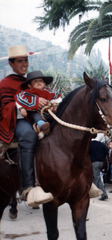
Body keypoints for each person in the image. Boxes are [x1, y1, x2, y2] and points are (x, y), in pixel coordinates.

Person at [0, 45, 53, 206]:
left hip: (39, 118)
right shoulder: (5, 83)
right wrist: (21, 107)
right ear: (11, 64)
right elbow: (4, 107)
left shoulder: (30, 81)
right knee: (29, 135)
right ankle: (28, 188)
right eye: (20, 61)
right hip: (18, 121)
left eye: (26, 60)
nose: (24, 64)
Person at [15, 71, 62, 136]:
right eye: (35, 81)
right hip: (34, 112)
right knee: (36, 115)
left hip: (49, 113)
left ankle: (52, 128)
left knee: (56, 117)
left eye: (40, 80)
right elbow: (19, 100)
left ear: (44, 84)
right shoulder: (27, 93)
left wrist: (54, 105)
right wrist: (21, 109)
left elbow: (58, 99)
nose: (38, 82)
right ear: (30, 85)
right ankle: (41, 125)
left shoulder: (50, 92)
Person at [89, 133, 109, 201]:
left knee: (97, 178)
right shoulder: (100, 143)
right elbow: (107, 150)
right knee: (95, 177)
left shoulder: (89, 144)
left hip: (94, 162)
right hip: (101, 162)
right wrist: (102, 156)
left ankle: (104, 194)